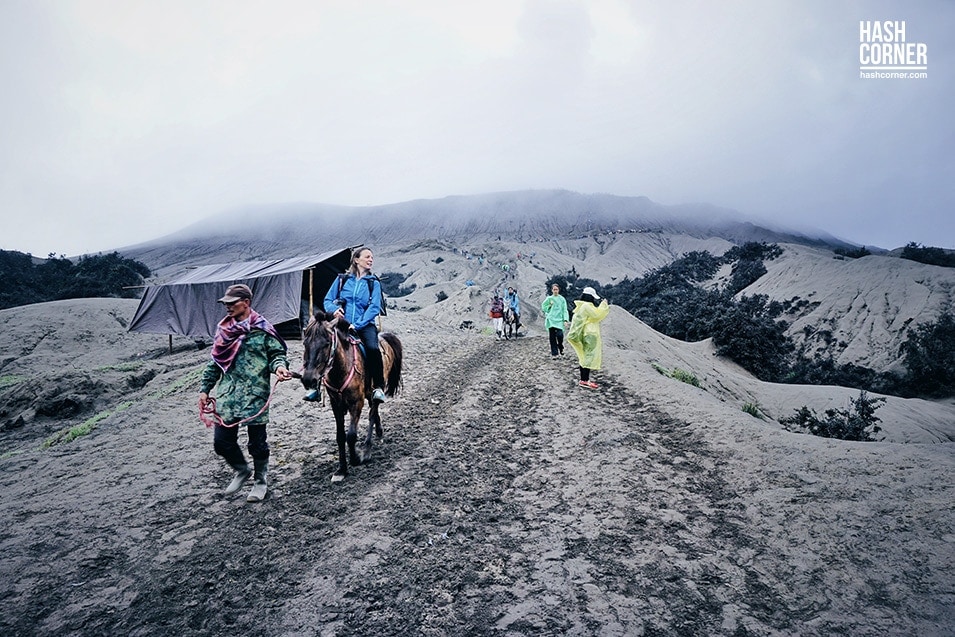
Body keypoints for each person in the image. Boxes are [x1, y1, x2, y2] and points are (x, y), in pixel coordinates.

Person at [198, 284, 293, 502]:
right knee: (221, 442)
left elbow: (276, 354)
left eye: (232, 303)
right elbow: (215, 362)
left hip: (255, 394)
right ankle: (241, 470)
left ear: (246, 303)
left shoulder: (262, 328)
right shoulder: (224, 330)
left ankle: (260, 481)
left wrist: (279, 367)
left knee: (257, 444)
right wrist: (205, 389)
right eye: (226, 303)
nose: (228, 307)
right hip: (228, 395)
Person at [323, 247, 388, 403]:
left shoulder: (373, 283)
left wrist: (357, 325)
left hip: (365, 325)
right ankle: (315, 387)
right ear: (356, 260)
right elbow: (327, 300)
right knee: (322, 345)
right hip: (341, 323)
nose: (371, 259)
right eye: (367, 257)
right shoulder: (342, 279)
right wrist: (334, 310)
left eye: (372, 257)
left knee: (373, 349)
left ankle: (378, 387)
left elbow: (374, 308)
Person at [567, 286, 610, 389]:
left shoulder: (581, 306)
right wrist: (603, 305)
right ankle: (585, 380)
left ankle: (584, 379)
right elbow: (597, 315)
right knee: (588, 356)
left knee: (585, 356)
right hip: (590, 333)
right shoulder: (586, 306)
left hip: (585, 333)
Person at [541, 283, 570, 356]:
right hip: (551, 320)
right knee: (552, 337)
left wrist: (565, 320)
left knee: (560, 335)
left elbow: (564, 310)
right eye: (554, 289)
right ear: (552, 290)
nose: (555, 291)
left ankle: (560, 346)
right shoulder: (549, 298)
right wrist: (549, 305)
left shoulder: (562, 299)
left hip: (559, 320)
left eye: (556, 289)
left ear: (559, 290)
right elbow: (544, 307)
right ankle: (554, 353)